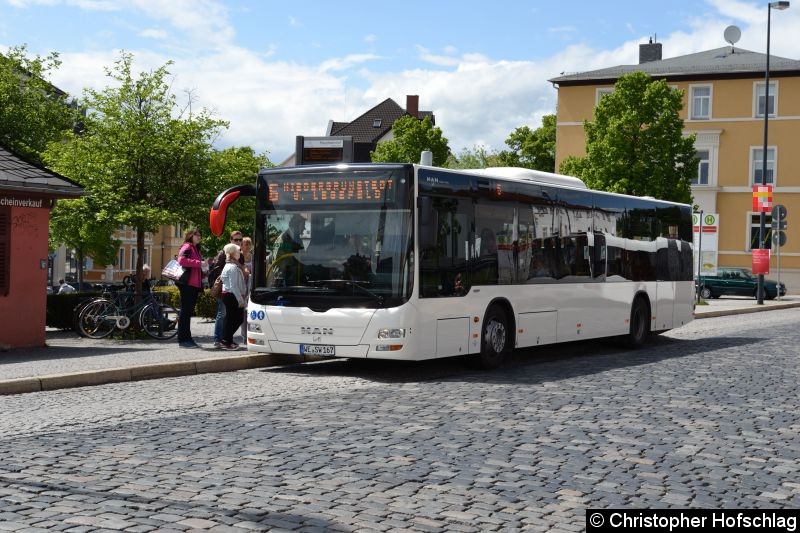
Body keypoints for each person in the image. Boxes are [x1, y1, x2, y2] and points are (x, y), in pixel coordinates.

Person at [210, 230, 244, 348]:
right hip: (226, 289)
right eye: (236, 240)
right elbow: (218, 272)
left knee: (233, 316)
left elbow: (242, 270)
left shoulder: (240, 254)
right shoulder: (224, 254)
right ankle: (219, 339)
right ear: (231, 240)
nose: (239, 242)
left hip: (234, 290)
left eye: (240, 240)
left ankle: (226, 338)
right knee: (223, 314)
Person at [176, 228, 204, 348]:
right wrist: (199, 263)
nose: (198, 237)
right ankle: (183, 340)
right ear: (190, 236)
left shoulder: (195, 248)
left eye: (199, 235)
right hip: (187, 284)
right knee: (185, 313)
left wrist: (204, 271)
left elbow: (194, 266)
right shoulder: (187, 246)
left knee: (187, 312)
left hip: (193, 285)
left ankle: (187, 338)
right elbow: (181, 260)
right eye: (196, 235)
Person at [219, 243, 247, 350]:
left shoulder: (231, 265)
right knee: (234, 318)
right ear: (233, 254)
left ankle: (227, 339)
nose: (240, 253)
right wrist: (240, 299)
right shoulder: (232, 267)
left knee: (233, 318)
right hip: (231, 295)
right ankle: (226, 340)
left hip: (230, 295)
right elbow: (233, 286)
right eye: (238, 251)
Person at [239, 236, 253, 341]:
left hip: (250, 285)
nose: (247, 246)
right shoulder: (238, 256)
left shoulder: (252, 256)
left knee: (248, 310)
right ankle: (244, 335)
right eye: (246, 244)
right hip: (241, 284)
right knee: (242, 311)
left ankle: (248, 334)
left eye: (249, 244)